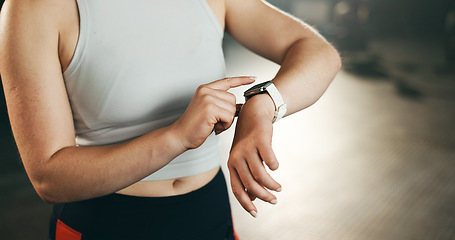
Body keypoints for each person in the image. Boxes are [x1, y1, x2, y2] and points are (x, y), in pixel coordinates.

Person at [0, 0, 341, 239]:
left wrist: (263, 104)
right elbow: (49, 177)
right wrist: (176, 138)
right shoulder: (35, 7)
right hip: (108, 222)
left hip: (207, 211)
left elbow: (318, 52)